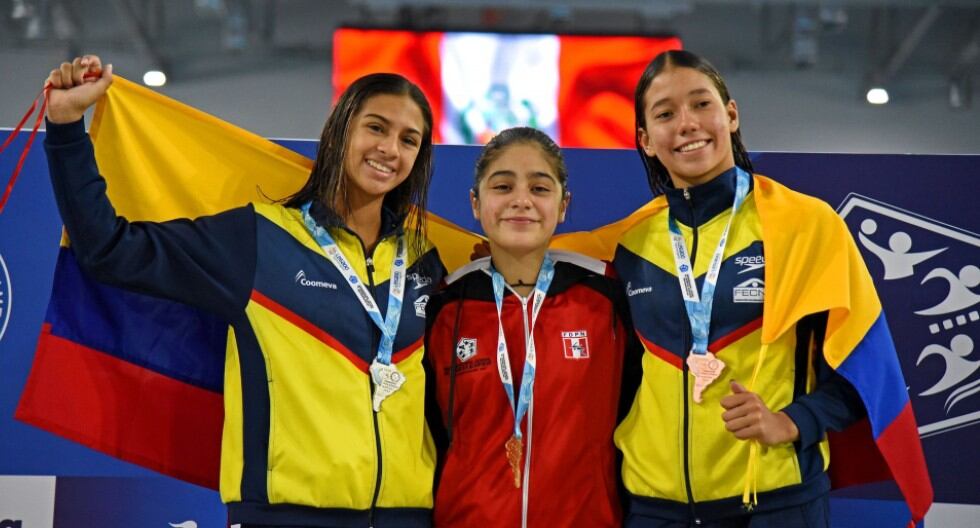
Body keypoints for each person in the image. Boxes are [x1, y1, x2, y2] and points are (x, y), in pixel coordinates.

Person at [44, 55, 443, 528]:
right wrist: (66, 126)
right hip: (284, 518)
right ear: (340, 132)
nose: (389, 149)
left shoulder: (423, 264)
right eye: (376, 127)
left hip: (407, 520)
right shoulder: (259, 240)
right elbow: (109, 248)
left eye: (408, 139)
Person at [613, 49, 884, 527]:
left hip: (773, 504)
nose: (687, 124)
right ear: (646, 140)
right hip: (654, 510)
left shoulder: (803, 225)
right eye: (665, 114)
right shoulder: (629, 246)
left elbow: (865, 365)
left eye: (701, 104)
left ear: (731, 114)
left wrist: (794, 421)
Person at [423, 127, 640, 527]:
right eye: (502, 186)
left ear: (563, 205)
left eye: (540, 189)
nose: (521, 201)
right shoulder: (444, 305)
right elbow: (431, 435)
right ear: (476, 202)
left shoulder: (607, 300)